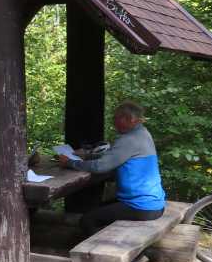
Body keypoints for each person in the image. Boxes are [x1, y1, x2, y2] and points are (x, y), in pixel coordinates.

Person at [58, 101, 166, 235]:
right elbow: (114, 155)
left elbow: (100, 166)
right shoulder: (142, 133)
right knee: (94, 210)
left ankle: (103, 246)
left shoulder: (129, 139)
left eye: (116, 118)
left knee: (87, 220)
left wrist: (70, 163)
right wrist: (86, 155)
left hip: (141, 206)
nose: (114, 122)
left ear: (128, 119)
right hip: (152, 202)